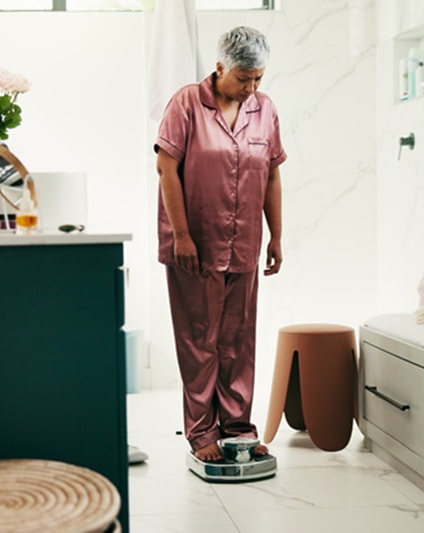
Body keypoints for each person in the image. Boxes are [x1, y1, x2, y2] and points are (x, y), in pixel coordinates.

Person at [154, 26, 286, 462]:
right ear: (219, 67)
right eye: (243, 78)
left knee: (238, 341)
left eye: (258, 79)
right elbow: (167, 170)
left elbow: (271, 175)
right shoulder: (186, 103)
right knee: (199, 341)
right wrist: (183, 236)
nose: (251, 88)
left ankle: (237, 428)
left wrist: (277, 235)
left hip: (245, 242)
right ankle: (201, 433)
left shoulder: (264, 110)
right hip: (196, 245)